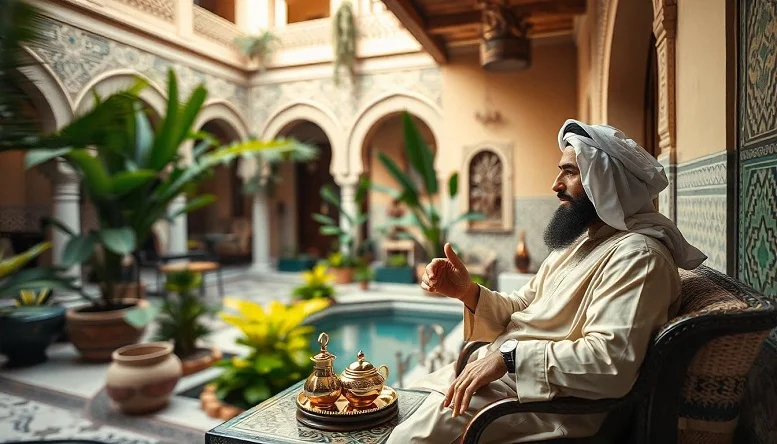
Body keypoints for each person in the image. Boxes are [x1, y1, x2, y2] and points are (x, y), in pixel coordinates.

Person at [386, 120, 707, 443]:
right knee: (390, 409)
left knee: (405, 440)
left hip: (547, 406)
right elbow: (524, 305)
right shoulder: (583, 243)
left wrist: (509, 358)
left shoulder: (639, 258)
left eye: (570, 172)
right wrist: (467, 292)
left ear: (606, 181)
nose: (555, 184)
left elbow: (609, 364)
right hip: (508, 384)